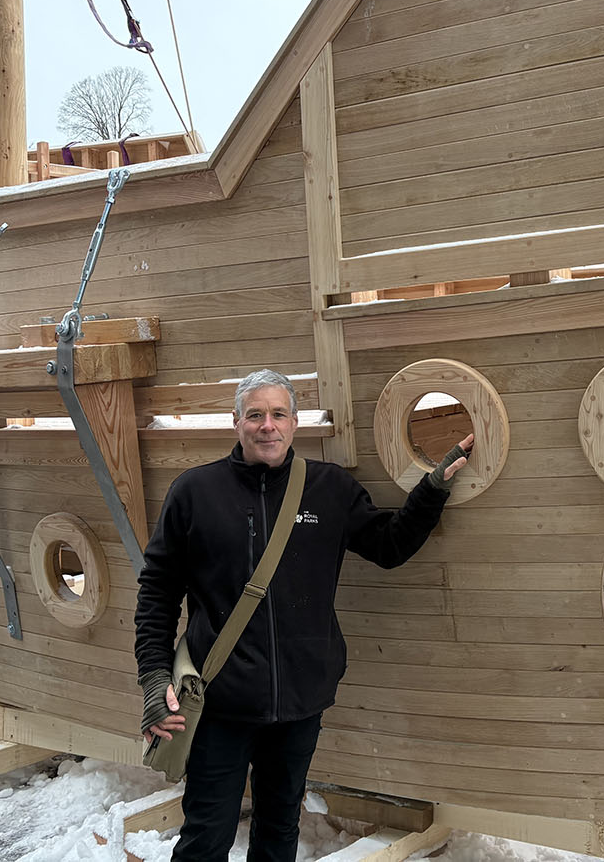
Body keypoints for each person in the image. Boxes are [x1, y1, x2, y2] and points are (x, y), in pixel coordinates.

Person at [134, 368, 470, 861]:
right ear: (236, 423)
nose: (266, 425)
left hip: (300, 703)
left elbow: (388, 544)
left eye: (278, 414)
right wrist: (153, 677)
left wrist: (433, 487)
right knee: (206, 834)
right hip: (220, 702)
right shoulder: (195, 492)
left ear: (294, 423)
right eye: (255, 415)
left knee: (279, 828)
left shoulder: (329, 489)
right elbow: (157, 591)